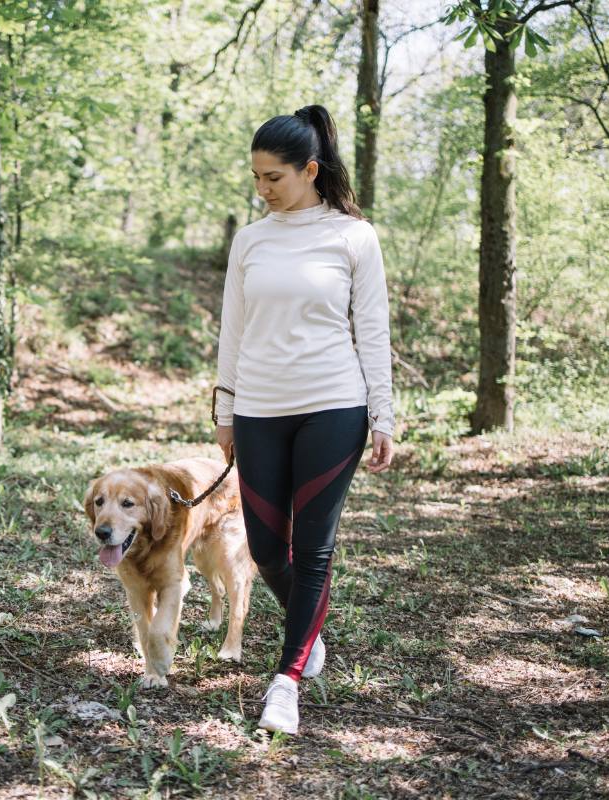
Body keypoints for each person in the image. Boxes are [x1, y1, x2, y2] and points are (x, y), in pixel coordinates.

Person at [213, 104, 394, 735]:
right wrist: (224, 409)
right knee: (266, 547)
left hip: (334, 407)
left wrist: (383, 415)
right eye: (256, 177)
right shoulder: (250, 239)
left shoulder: (353, 236)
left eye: (273, 178)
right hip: (258, 407)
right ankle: (307, 630)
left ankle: (286, 681)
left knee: (313, 548)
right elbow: (232, 329)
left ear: (310, 170)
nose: (261, 190)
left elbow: (372, 330)